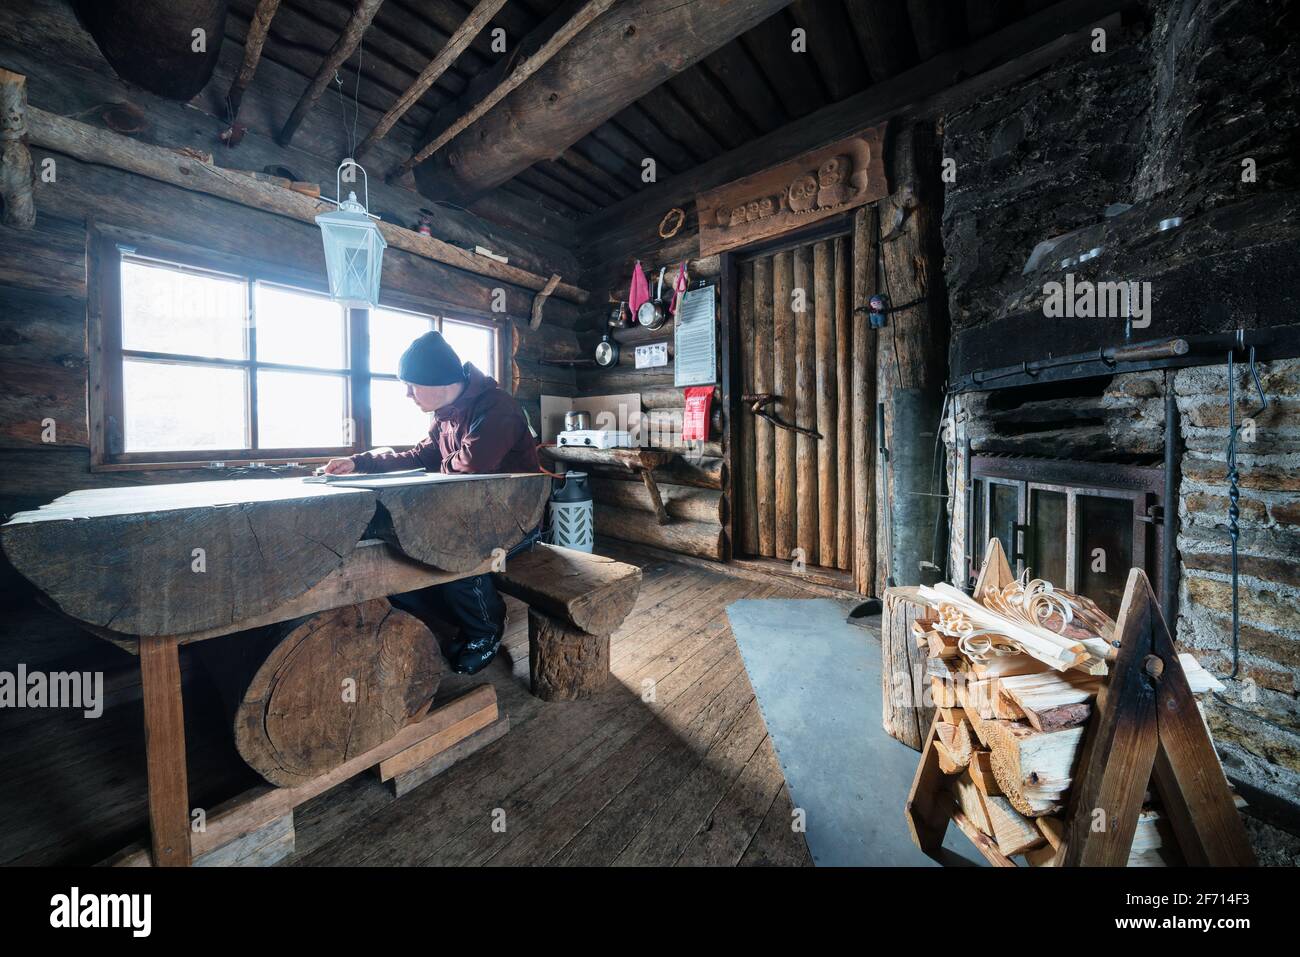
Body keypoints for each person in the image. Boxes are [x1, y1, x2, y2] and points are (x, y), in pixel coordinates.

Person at [321, 330, 540, 674]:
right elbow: (421, 454)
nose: (408, 394)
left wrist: (436, 461)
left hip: (515, 518)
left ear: (439, 382)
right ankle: (450, 619)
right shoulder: (445, 414)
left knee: (454, 553)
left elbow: (471, 464)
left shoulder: (498, 408)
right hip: (472, 513)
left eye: (412, 385)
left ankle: (486, 629)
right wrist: (360, 463)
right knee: (401, 548)